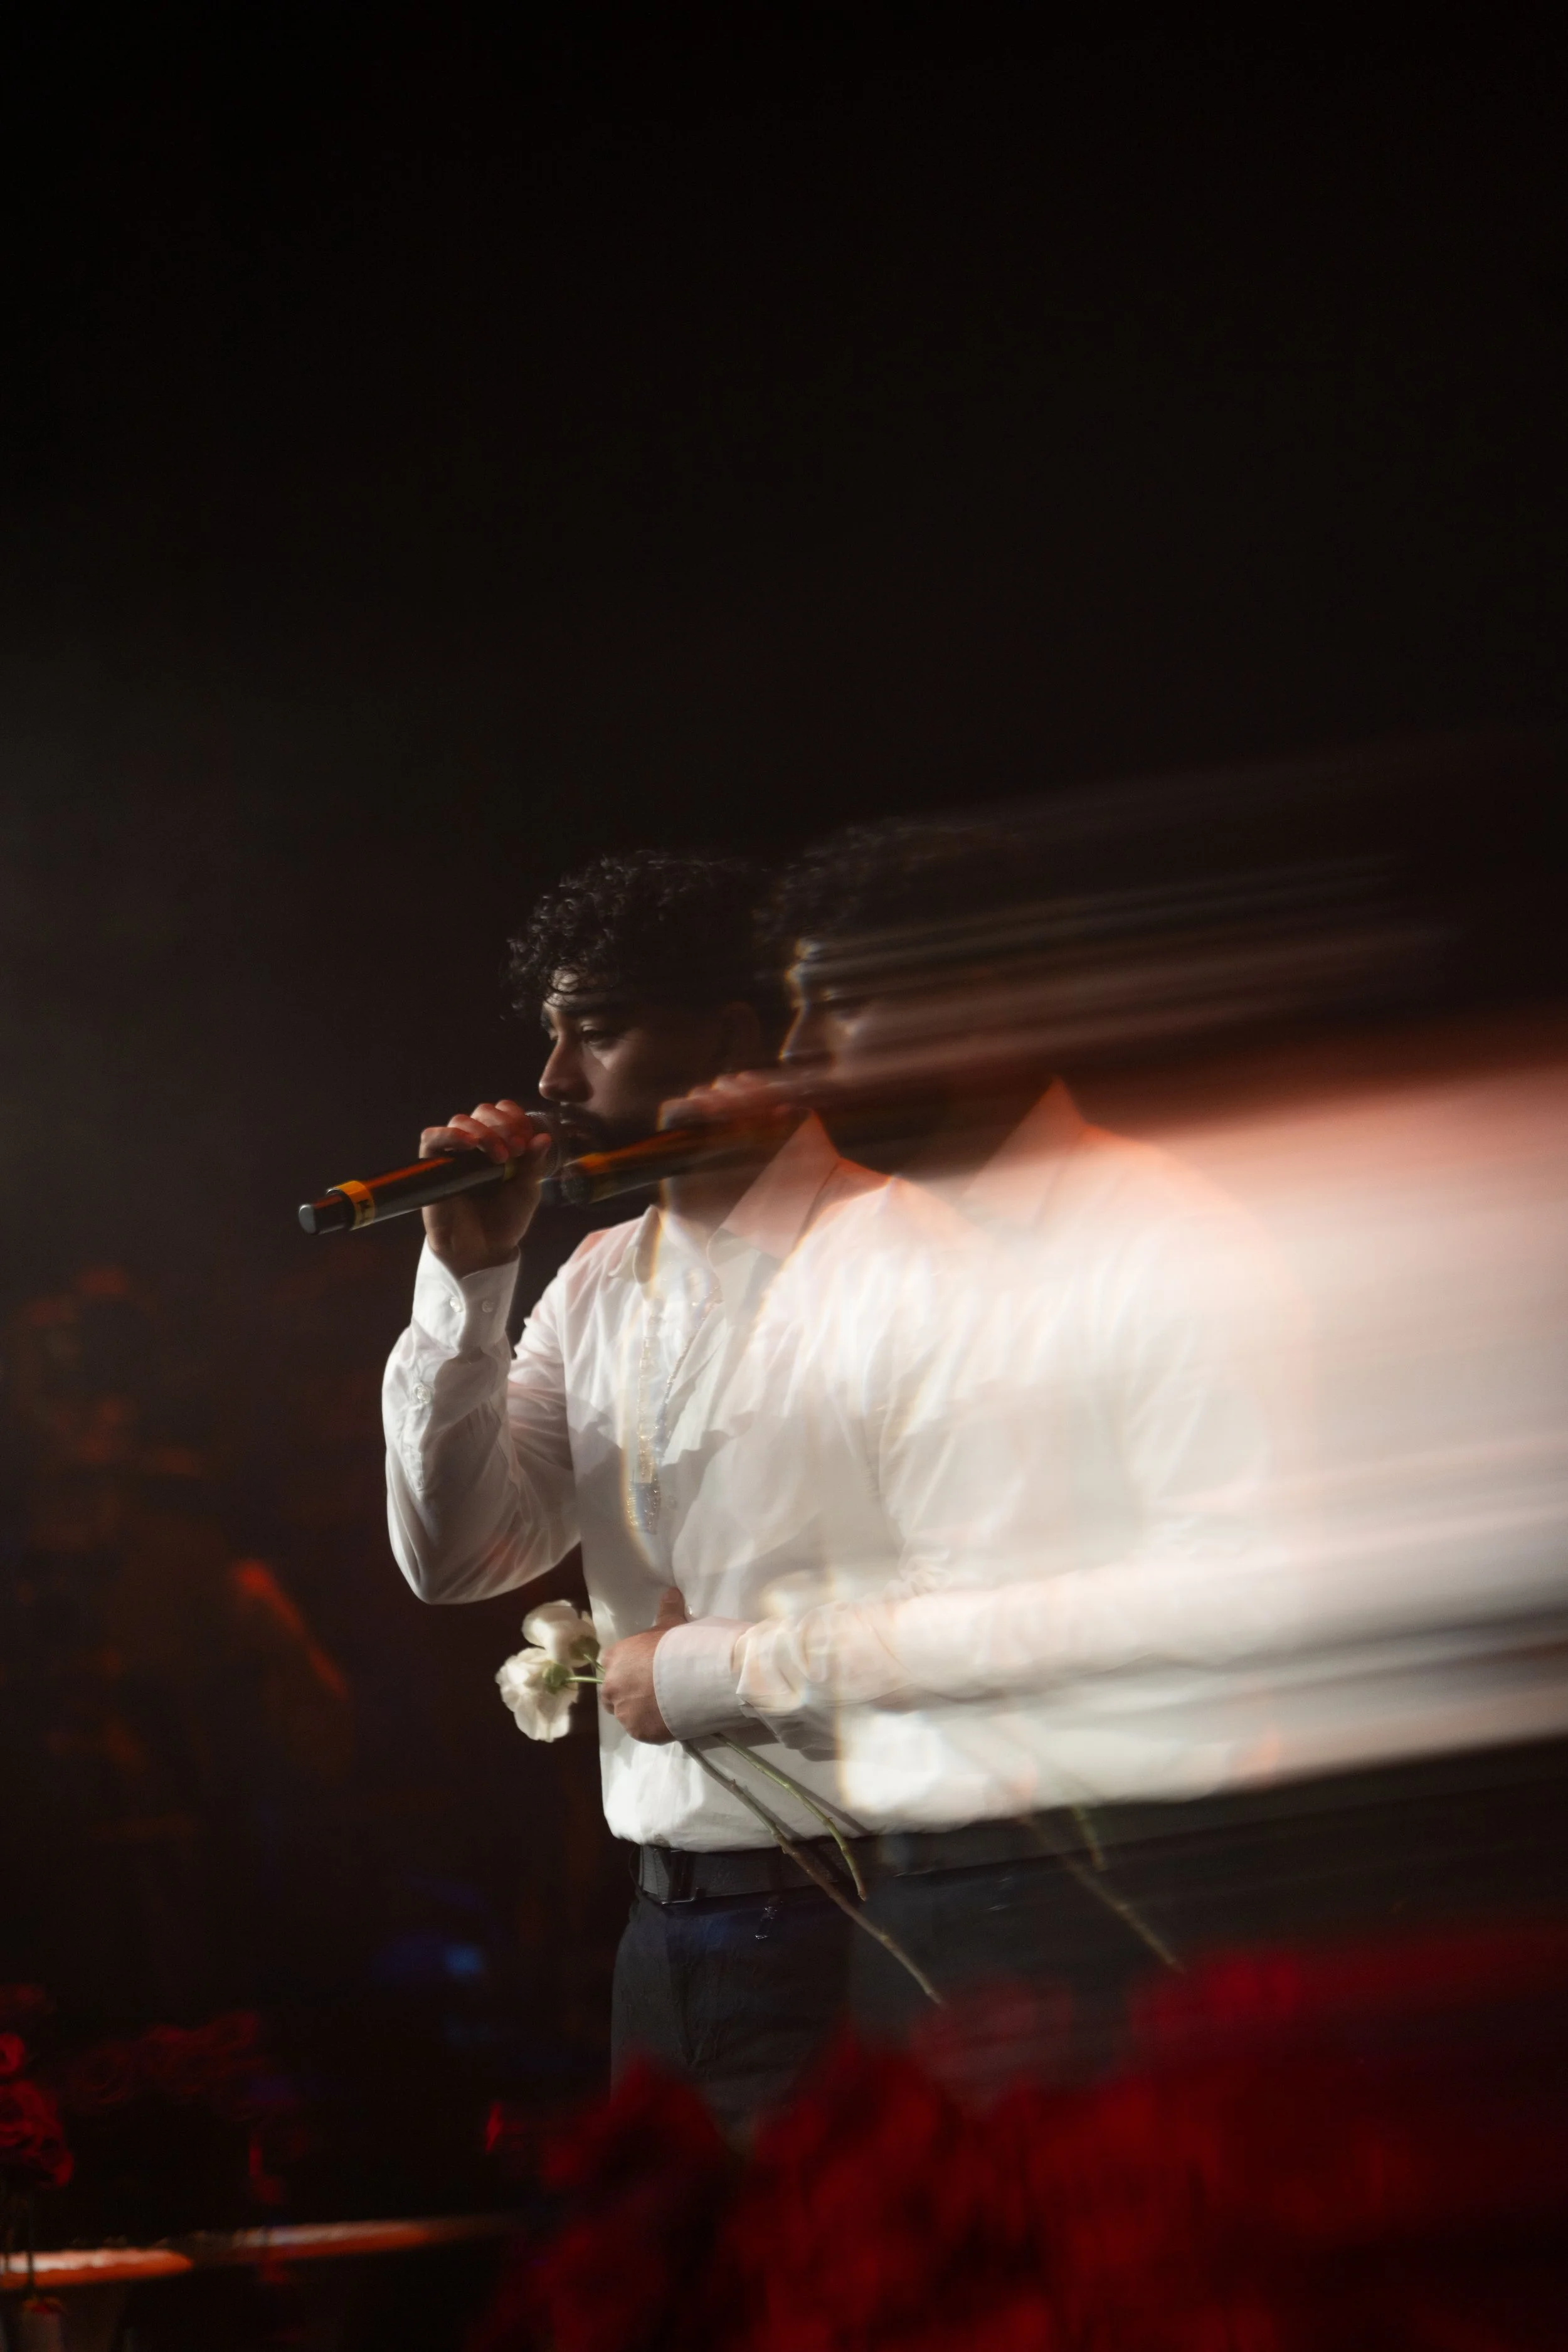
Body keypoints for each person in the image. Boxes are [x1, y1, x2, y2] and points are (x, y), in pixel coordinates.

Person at [385, 849, 990, 2132]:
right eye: (552, 1033)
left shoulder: (909, 1261)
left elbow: (989, 1613)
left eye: (598, 1030)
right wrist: (469, 1283)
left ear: (732, 1037)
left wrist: (702, 1674)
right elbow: (460, 1557)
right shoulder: (600, 1276)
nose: (554, 1079)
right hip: (662, 1926)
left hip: (870, 1916)